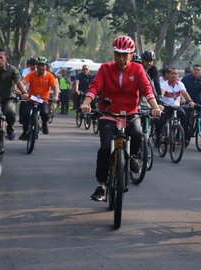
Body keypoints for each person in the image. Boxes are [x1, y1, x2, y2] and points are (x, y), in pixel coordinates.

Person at [80, 35, 162, 201]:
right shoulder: (105, 68)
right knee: (104, 149)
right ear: (114, 53)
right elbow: (95, 87)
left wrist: (155, 107)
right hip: (108, 113)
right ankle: (101, 185)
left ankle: (130, 157)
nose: (122, 58)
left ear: (131, 55)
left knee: (137, 134)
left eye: (126, 55)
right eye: (118, 54)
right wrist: (86, 103)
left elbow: (147, 89)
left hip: (131, 113)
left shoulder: (138, 70)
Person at [19, 56, 59, 139]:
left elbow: (55, 87)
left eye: (43, 65)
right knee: (25, 113)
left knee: (45, 112)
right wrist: (21, 91)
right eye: (39, 65)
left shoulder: (50, 76)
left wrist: (55, 96)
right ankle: (25, 131)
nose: (41, 67)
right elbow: (23, 83)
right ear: (36, 66)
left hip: (43, 99)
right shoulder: (31, 74)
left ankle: (44, 123)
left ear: (46, 66)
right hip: (31, 99)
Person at [155, 67, 194, 146]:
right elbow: (161, 94)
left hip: (176, 107)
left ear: (178, 75)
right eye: (172, 73)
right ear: (168, 75)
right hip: (166, 106)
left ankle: (178, 136)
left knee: (184, 116)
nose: (174, 75)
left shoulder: (180, 84)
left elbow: (185, 93)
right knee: (160, 121)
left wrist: (190, 101)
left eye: (175, 74)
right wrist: (160, 103)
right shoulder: (164, 84)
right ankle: (158, 138)